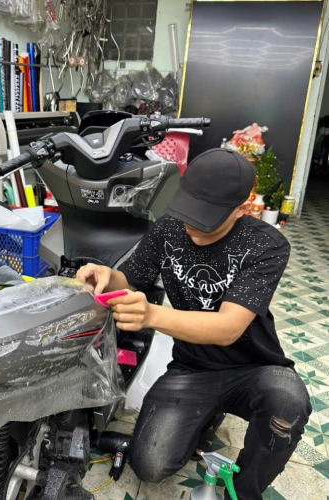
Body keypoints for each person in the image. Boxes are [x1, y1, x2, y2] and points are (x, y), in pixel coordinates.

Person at [76, 148, 311, 500]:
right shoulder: (168, 228)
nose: (192, 225)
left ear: (242, 207)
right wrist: (106, 276)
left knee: (287, 403)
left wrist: (152, 315)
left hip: (254, 368)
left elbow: (228, 327)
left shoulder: (265, 244)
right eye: (189, 210)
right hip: (191, 368)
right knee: (150, 465)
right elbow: (131, 279)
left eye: (207, 217)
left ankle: (243, 492)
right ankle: (204, 417)